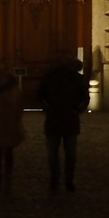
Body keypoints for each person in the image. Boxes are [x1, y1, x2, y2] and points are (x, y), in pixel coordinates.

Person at [37, 57, 89, 193]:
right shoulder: (76, 78)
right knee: (68, 154)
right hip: (68, 119)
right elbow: (85, 98)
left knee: (55, 154)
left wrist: (47, 108)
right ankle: (67, 181)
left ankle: (57, 181)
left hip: (56, 119)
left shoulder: (49, 77)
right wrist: (78, 110)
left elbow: (39, 96)